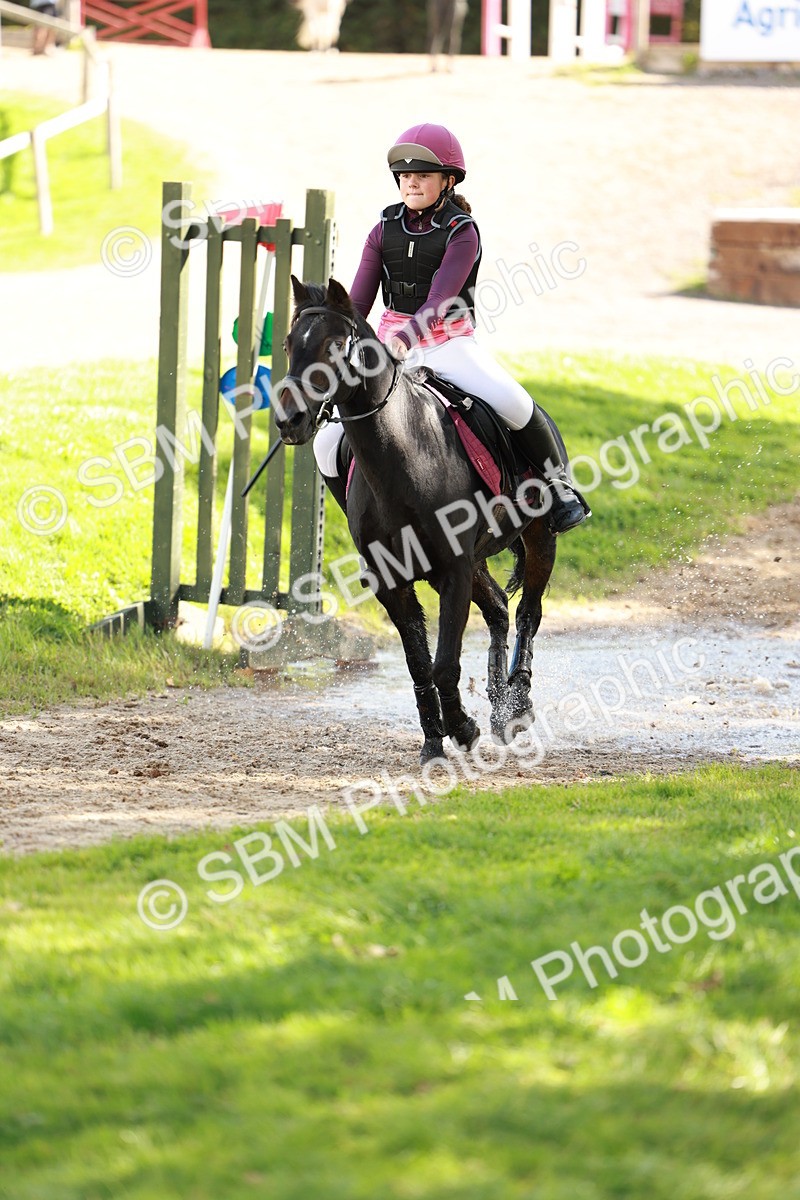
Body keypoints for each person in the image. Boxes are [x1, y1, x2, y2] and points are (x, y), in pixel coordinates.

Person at [313, 122, 590, 535]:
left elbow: (441, 300)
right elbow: (358, 303)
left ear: (448, 180)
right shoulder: (382, 229)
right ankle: (365, 524)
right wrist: (339, 341)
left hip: (447, 343)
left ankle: (559, 486)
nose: (412, 183)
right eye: (405, 176)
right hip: (389, 345)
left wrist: (405, 340)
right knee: (324, 444)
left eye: (423, 175)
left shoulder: (463, 232)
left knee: (514, 403)